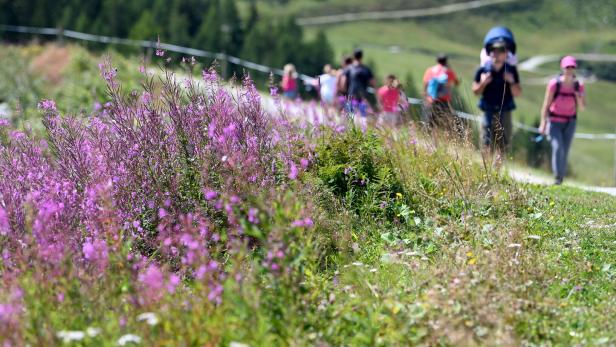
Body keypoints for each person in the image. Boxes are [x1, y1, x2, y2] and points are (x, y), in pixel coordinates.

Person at [539, 56, 586, 185]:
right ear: (562, 68)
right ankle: (557, 177)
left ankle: (561, 177)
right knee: (557, 147)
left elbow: (582, 107)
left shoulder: (578, 85)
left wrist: (578, 95)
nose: (570, 70)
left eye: (572, 67)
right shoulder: (554, 84)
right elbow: (546, 104)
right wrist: (543, 123)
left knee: (565, 150)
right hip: (554, 121)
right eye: (567, 67)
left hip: (570, 122)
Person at [472, 39, 521, 154]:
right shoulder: (483, 70)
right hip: (487, 110)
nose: (496, 54)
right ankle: (486, 169)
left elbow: (517, 93)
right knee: (486, 141)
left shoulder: (511, 70)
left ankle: (496, 171)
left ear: (506, 54)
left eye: (499, 51)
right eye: (493, 51)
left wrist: (512, 81)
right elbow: (475, 91)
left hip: (505, 111)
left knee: (503, 144)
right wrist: (483, 83)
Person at [422, 54, 460, 128]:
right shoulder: (448, 72)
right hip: (443, 102)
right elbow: (457, 83)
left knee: (427, 123)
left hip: (430, 100)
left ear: (437, 61)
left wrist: (425, 97)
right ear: (446, 61)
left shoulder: (430, 70)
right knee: (445, 124)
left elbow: (425, 84)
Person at [343, 49, 375, 117]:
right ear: (362, 57)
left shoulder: (349, 68)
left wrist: (344, 92)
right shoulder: (366, 69)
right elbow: (373, 83)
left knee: (350, 117)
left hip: (351, 96)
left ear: (354, 56)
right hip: (363, 97)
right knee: (363, 117)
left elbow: (344, 82)